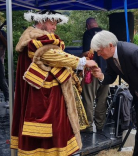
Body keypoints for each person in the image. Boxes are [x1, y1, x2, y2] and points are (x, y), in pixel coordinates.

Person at [11, 10, 97, 156]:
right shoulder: (35, 40)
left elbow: (56, 56)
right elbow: (51, 56)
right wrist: (82, 62)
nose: (55, 27)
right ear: (42, 21)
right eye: (52, 23)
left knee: (53, 132)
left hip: (46, 94)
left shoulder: (36, 38)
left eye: (56, 24)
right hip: (43, 96)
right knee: (47, 135)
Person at [90, 30, 138, 156]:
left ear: (110, 45)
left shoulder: (132, 52)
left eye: (99, 50)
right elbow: (110, 76)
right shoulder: (110, 57)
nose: (98, 53)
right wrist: (101, 75)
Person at [81, 18, 109, 132]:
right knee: (102, 99)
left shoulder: (88, 34)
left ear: (88, 25)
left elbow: (88, 53)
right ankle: (100, 125)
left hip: (92, 72)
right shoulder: (105, 34)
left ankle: (88, 126)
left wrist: (81, 56)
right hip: (106, 72)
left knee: (88, 99)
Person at [0, 24, 9, 108]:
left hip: (0, 60)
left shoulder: (3, 33)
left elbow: (8, 45)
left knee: (2, 80)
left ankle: (7, 99)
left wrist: (1, 36)